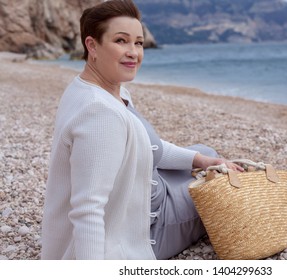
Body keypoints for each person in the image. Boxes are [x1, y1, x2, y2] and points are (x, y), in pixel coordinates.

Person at [41, 0, 242, 260]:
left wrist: (202, 161)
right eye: (121, 41)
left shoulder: (103, 88)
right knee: (221, 190)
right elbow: (88, 209)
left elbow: (151, 147)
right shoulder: (100, 114)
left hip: (146, 190)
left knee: (206, 153)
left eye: (138, 42)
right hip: (146, 228)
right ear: (92, 45)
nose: (133, 52)